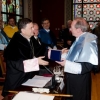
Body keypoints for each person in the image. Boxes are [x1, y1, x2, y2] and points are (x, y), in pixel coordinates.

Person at [2, 18, 49, 97]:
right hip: (17, 82)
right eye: (31, 27)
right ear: (23, 30)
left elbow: (41, 50)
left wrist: (58, 53)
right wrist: (36, 62)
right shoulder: (15, 44)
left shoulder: (29, 39)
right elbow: (17, 64)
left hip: (28, 77)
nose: (33, 29)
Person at [55, 17, 98, 100]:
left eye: (72, 27)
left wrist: (66, 63)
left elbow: (87, 67)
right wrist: (65, 53)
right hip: (73, 78)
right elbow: (76, 56)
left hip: (80, 81)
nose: (70, 29)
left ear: (78, 29)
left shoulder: (88, 40)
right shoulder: (80, 38)